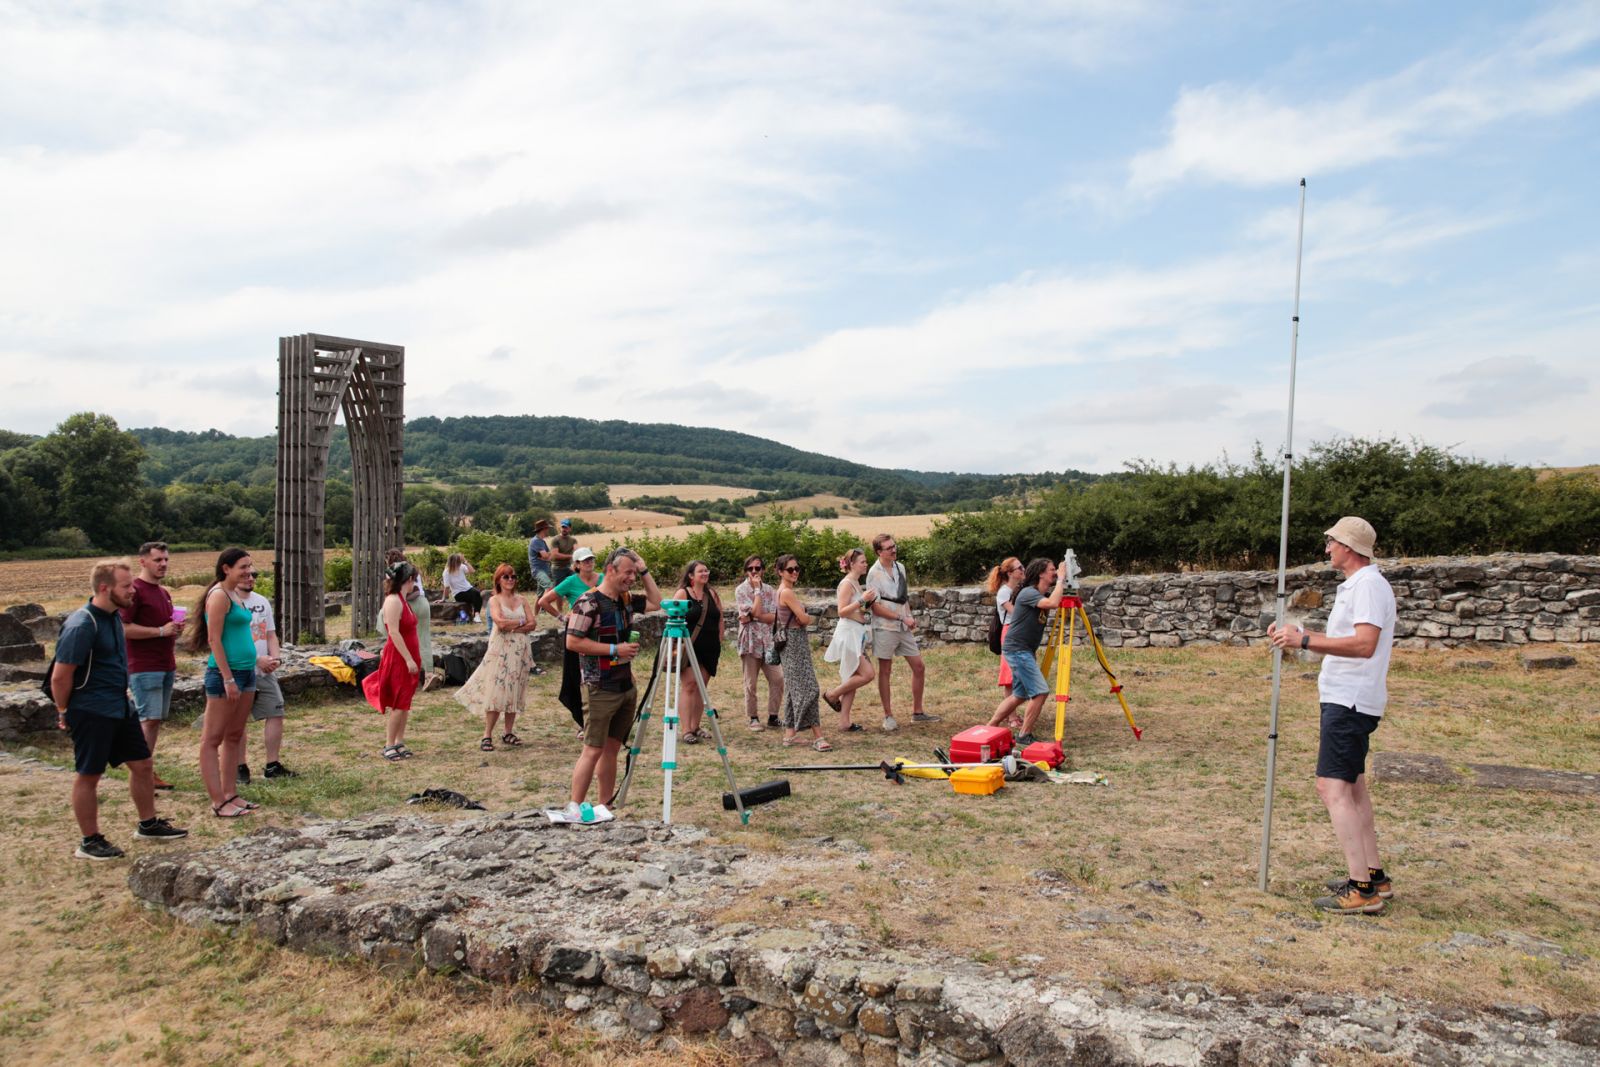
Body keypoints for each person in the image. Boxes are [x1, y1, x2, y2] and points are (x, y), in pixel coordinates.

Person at [1269, 516, 1398, 915]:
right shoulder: (1361, 586)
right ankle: (1374, 876)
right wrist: (1300, 634)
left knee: (1332, 787)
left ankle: (1361, 890)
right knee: (1354, 786)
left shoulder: (1369, 586)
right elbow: (1352, 639)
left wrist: (1304, 639)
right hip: (1347, 697)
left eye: (1331, 542)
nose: (1327, 548)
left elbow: (1364, 645)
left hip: (1351, 701)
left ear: (1349, 547)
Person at [53, 560, 188, 859]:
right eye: (126, 586)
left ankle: (148, 824)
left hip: (118, 705)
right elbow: (60, 676)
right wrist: (64, 710)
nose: (132, 591)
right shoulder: (81, 625)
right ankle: (90, 841)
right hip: (90, 709)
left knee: (142, 764)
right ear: (105, 588)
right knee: (89, 774)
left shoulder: (114, 617)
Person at [564, 548, 662, 816]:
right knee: (593, 749)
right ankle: (574, 806)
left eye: (634, 573)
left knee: (612, 749)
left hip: (625, 686)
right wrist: (614, 650)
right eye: (628, 572)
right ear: (610, 570)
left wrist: (643, 569)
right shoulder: (588, 602)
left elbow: (657, 601)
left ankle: (604, 805)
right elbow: (572, 641)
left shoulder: (626, 600)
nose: (632, 577)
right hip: (599, 687)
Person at [184, 548, 259, 818]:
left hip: (247, 672)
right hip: (226, 675)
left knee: (234, 735)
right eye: (243, 567)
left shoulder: (236, 594)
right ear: (226, 568)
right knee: (212, 738)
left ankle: (231, 794)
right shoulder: (218, 596)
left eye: (250, 567)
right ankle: (217, 801)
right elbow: (214, 639)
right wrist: (228, 678)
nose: (248, 571)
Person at [987, 558, 1072, 744]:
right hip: (1017, 649)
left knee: (1019, 695)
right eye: (1052, 570)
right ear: (1041, 574)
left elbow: (1053, 600)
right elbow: (1052, 604)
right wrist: (1061, 580)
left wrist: (1062, 583)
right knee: (1040, 692)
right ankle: (1024, 735)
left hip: (1023, 649)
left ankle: (989, 727)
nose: (1055, 573)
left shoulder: (1040, 593)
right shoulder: (1028, 593)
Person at [457, 564, 538, 750]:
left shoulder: (523, 599)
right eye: (506, 577)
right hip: (500, 651)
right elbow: (500, 623)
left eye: (513, 577)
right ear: (499, 579)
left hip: (520, 651)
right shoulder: (495, 600)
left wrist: (516, 626)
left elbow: (533, 623)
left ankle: (508, 732)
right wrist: (520, 622)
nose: (510, 580)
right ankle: (487, 735)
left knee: (514, 690)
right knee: (496, 692)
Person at [120, 540, 179, 790]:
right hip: (145, 666)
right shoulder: (135, 591)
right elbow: (123, 628)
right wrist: (159, 631)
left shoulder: (164, 592)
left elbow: (164, 628)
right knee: (149, 719)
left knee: (154, 720)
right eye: (158, 560)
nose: (163, 564)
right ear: (142, 561)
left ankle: (147, 771)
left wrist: (173, 629)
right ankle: (141, 774)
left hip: (166, 663)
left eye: (165, 559)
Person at [865, 533, 938, 730]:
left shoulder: (900, 568)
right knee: (886, 670)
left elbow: (903, 597)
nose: (894, 550)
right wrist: (900, 617)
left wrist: (909, 616)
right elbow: (875, 607)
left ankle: (918, 712)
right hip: (884, 627)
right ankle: (888, 716)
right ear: (879, 552)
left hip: (903, 625)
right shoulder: (873, 573)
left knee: (919, 666)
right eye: (889, 548)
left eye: (894, 546)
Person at [238, 572, 296, 783]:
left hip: (265, 671)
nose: (250, 578)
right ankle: (239, 767)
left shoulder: (261, 601)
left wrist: (276, 659)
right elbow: (229, 640)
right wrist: (257, 659)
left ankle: (272, 765)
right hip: (241, 670)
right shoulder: (228, 602)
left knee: (276, 711)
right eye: (245, 574)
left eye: (253, 574)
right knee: (238, 720)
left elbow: (270, 634)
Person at [364, 561, 423, 761]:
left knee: (405, 702)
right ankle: (389, 744)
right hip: (400, 657)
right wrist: (408, 659)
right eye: (414, 579)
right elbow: (394, 632)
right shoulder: (393, 601)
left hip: (409, 655)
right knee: (399, 702)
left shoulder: (402, 599)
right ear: (408, 580)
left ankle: (399, 740)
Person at [774, 554, 831, 752]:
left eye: (797, 568)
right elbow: (805, 619)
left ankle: (790, 735)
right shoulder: (787, 593)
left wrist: (803, 616)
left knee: (793, 688)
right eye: (790, 570)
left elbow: (802, 618)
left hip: (794, 642)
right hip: (794, 643)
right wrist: (803, 616)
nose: (795, 572)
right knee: (810, 689)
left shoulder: (784, 591)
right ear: (781, 572)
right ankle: (818, 736)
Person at [538, 546, 599, 730]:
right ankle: (583, 722)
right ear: (577, 564)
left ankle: (601, 719)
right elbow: (544, 601)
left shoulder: (603, 579)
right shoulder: (571, 581)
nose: (589, 562)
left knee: (601, 677)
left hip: (600, 632)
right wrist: (561, 617)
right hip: (578, 632)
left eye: (591, 559)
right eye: (585, 560)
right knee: (578, 676)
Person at [822, 548, 879, 732]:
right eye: (862, 561)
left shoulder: (856, 582)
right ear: (852, 564)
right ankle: (832, 694)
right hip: (848, 634)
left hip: (857, 633)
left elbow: (857, 611)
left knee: (852, 677)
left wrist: (867, 604)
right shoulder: (846, 583)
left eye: (865, 561)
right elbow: (842, 611)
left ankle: (844, 722)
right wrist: (862, 601)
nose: (865, 564)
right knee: (868, 674)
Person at [670, 560, 724, 744]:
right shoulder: (682, 593)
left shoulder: (712, 594)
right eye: (701, 571)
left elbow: (720, 618)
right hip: (689, 646)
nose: (705, 573)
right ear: (691, 575)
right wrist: (675, 645)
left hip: (710, 647)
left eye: (706, 570)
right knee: (690, 685)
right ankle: (686, 730)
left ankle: (695, 726)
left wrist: (720, 640)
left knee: (701, 686)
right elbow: (673, 619)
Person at [733, 555, 783, 730]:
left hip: (768, 641)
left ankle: (773, 716)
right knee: (750, 682)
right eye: (750, 568)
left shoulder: (771, 590)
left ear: (763, 570)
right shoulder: (741, 590)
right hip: (750, 641)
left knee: (778, 678)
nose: (754, 571)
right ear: (745, 571)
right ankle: (753, 717)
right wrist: (756, 592)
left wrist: (756, 615)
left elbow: (773, 617)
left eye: (757, 568)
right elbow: (755, 612)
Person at [387, 547, 438, 692]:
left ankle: (404, 670)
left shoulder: (394, 573)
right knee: (424, 638)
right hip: (423, 602)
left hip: (408, 605)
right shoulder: (412, 570)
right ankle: (429, 673)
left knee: (397, 634)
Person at [986, 557, 1024, 693]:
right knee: (1010, 674)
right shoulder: (1004, 592)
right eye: (1019, 568)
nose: (1023, 570)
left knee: (1019, 672)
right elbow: (1016, 613)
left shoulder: (1018, 589)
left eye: (1022, 566)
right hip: (1010, 632)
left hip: (1017, 631)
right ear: (1010, 573)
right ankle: (1011, 714)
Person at [442, 553, 482, 623]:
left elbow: (472, 571)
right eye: (458, 561)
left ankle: (476, 615)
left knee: (477, 593)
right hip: (458, 593)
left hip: (468, 589)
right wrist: (444, 599)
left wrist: (465, 561)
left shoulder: (461, 566)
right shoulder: (446, 572)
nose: (459, 563)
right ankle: (476, 615)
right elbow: (447, 587)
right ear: (453, 562)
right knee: (476, 594)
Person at [527, 518, 555, 596]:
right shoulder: (535, 541)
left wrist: (547, 555)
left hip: (544, 571)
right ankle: (544, 607)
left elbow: (549, 558)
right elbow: (546, 556)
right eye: (547, 528)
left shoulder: (542, 542)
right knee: (549, 587)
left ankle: (538, 608)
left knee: (540, 595)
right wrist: (551, 553)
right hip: (538, 571)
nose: (548, 530)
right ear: (543, 529)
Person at [550, 519, 578, 584]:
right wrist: (571, 556)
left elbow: (577, 552)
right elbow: (555, 555)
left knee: (574, 585)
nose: (564, 529)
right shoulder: (555, 540)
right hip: (558, 568)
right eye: (563, 527)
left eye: (566, 527)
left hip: (569, 567)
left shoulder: (573, 540)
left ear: (570, 529)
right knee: (558, 590)